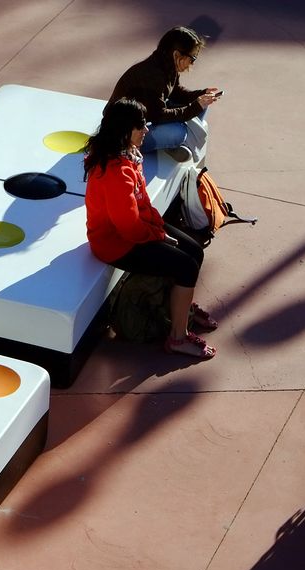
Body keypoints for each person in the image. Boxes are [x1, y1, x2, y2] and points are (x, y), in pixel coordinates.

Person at [84, 98, 217, 360]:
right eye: (141, 127)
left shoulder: (128, 155)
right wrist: (159, 235)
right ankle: (178, 338)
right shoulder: (115, 172)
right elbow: (129, 227)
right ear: (125, 131)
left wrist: (158, 227)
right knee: (186, 267)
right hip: (115, 243)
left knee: (195, 251)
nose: (146, 130)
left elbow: (141, 203)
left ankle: (183, 310)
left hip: (137, 228)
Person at [105, 26, 220, 159]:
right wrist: (193, 108)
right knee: (178, 133)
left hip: (146, 116)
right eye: (192, 58)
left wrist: (200, 94)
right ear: (177, 55)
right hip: (125, 134)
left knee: (202, 105)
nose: (192, 63)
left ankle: (172, 145)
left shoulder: (168, 66)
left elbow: (176, 92)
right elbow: (158, 115)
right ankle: (173, 144)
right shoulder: (153, 76)